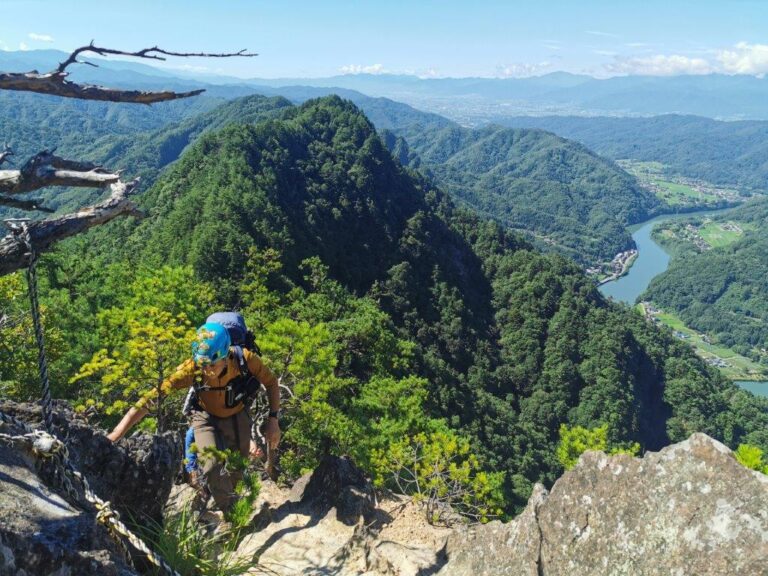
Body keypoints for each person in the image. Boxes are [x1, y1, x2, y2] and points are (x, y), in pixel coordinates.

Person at [107, 322, 281, 513]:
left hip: (237, 413)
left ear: (225, 355)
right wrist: (116, 434)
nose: (206, 370)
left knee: (237, 466)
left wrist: (273, 420)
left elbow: (271, 383)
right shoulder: (193, 368)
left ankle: (228, 497)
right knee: (212, 464)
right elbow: (149, 399)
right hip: (205, 415)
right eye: (203, 364)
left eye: (212, 365)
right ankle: (232, 513)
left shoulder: (244, 359)